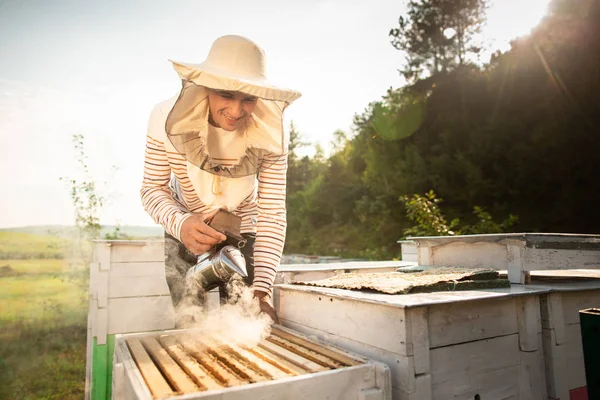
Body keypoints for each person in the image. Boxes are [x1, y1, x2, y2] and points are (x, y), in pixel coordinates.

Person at [140, 35, 301, 325]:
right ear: (205, 87)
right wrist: (181, 224)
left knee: (246, 315)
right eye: (226, 95)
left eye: (248, 99)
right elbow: (152, 188)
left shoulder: (273, 133)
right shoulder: (163, 117)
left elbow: (272, 211)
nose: (237, 111)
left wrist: (262, 291)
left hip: (244, 223)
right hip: (185, 221)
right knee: (189, 317)